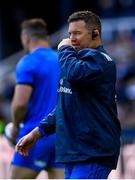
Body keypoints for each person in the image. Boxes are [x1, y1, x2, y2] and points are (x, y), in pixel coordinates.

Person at [16, 11, 121, 179]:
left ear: (95, 33)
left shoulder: (100, 61)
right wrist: (37, 133)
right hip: (75, 153)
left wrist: (64, 49)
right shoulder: (75, 61)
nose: (71, 38)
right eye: (70, 33)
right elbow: (65, 104)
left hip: (93, 152)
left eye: (77, 33)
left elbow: (73, 73)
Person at [9, 18, 64, 179]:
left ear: (26, 38)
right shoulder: (63, 59)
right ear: (45, 37)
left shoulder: (28, 62)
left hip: (34, 135)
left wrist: (15, 126)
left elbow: (20, 104)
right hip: (62, 135)